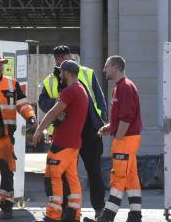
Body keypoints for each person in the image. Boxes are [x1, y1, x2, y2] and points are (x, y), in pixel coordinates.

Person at [38, 46, 108, 219]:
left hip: (90, 131)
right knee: (68, 173)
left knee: (94, 171)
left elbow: (100, 99)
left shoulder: (86, 74)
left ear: (71, 57)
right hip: (67, 133)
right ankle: (66, 210)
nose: (60, 60)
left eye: (63, 57)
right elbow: (43, 102)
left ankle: (99, 208)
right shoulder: (51, 80)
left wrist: (102, 121)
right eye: (57, 58)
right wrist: (57, 104)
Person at [0, 54, 37, 220]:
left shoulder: (12, 83)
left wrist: (31, 117)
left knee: (7, 173)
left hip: (5, 137)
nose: (1, 67)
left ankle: (7, 207)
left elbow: (23, 105)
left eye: (2, 65)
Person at [32, 60, 89, 222]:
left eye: (61, 72)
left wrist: (38, 130)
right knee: (72, 178)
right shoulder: (82, 90)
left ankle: (53, 214)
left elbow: (52, 112)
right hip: (74, 144)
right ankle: (74, 213)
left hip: (62, 143)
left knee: (53, 176)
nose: (60, 75)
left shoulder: (70, 91)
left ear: (67, 73)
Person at [95, 56, 143, 222]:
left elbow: (127, 117)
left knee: (118, 176)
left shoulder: (124, 87)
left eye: (107, 66)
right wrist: (110, 128)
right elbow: (123, 116)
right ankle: (135, 215)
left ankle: (107, 216)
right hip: (128, 138)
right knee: (130, 178)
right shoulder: (121, 87)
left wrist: (119, 137)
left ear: (115, 67)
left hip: (126, 140)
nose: (104, 70)